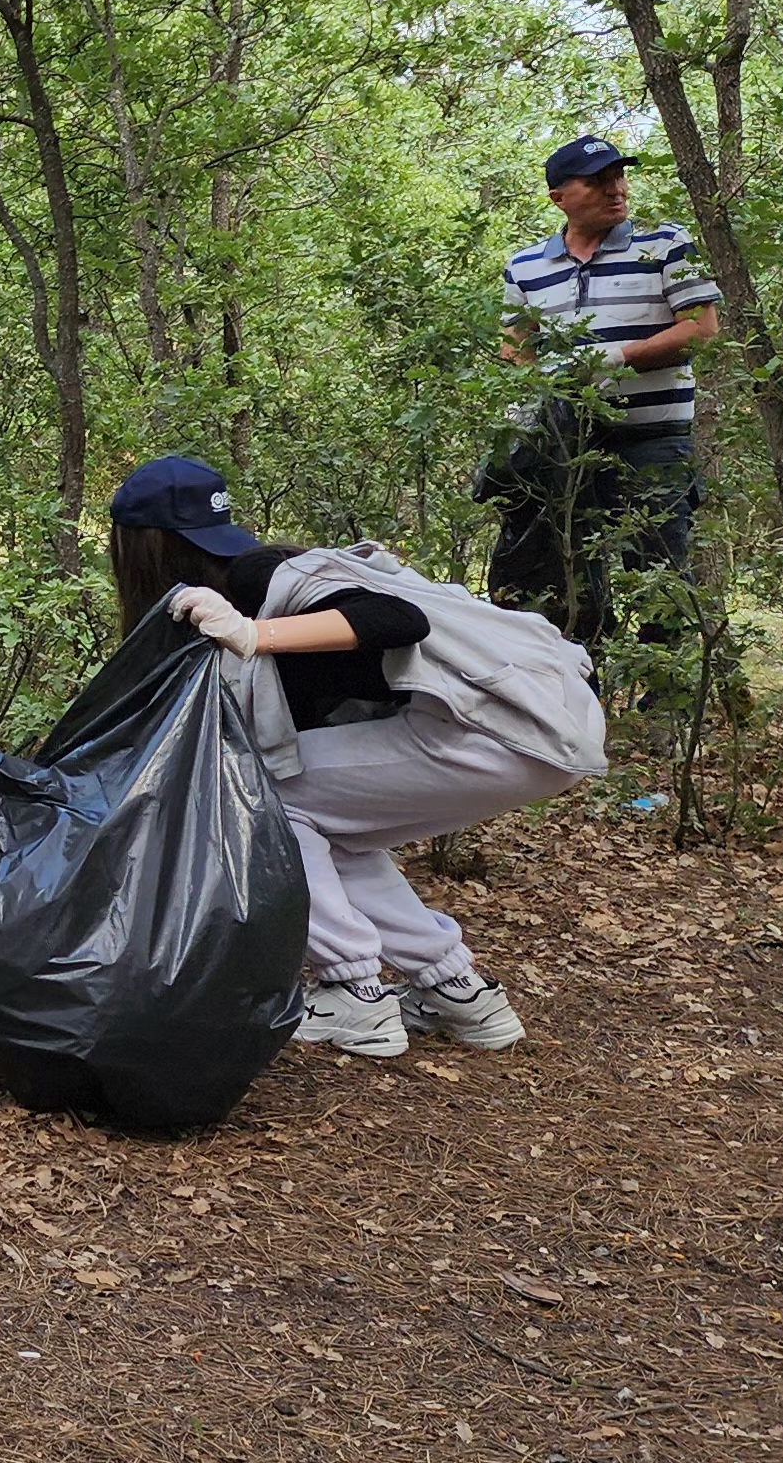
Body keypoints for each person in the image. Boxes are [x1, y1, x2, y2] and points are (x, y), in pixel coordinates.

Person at [108, 454, 582, 1061]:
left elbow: (396, 619)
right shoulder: (241, 587)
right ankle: (456, 989)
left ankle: (355, 992)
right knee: (331, 828)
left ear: (142, 545)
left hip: (495, 732)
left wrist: (255, 636)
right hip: (525, 737)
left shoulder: (258, 579)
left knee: (257, 798)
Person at [486, 134, 721, 648]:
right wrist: (526, 409)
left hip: (653, 439)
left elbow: (701, 330)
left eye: (619, 177)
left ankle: (666, 704)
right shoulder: (526, 267)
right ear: (560, 198)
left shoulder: (665, 245)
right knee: (567, 569)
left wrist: (616, 358)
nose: (616, 189)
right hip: (568, 448)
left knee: (660, 572)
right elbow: (516, 350)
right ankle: (583, 686)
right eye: (597, 182)